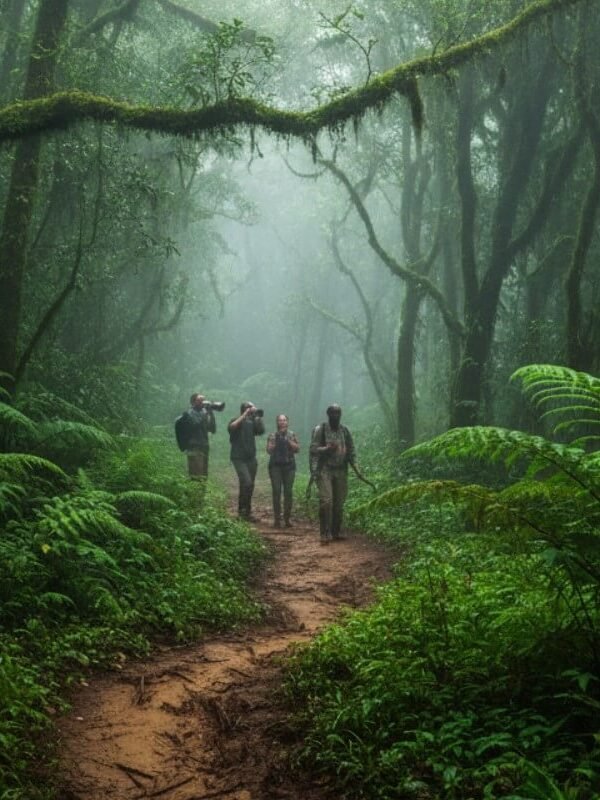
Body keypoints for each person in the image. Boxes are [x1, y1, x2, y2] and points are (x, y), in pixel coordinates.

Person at [309, 404, 356, 545]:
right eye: (333, 413)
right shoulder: (321, 429)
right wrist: (326, 449)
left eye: (338, 413)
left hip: (341, 469)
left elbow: (351, 448)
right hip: (324, 469)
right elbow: (313, 449)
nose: (335, 415)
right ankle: (324, 532)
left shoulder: (345, 430)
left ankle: (337, 531)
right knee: (326, 501)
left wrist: (354, 462)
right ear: (328, 414)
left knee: (339, 503)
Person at [228, 401, 265, 521]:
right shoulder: (236, 419)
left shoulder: (252, 422)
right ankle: (242, 512)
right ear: (243, 409)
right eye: (249, 407)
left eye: (252, 407)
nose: (251, 409)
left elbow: (261, 431)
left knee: (249, 485)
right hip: (238, 457)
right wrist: (245, 414)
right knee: (247, 482)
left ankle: (246, 512)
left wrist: (257, 416)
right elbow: (232, 427)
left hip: (251, 458)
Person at [266, 414, 300, 529]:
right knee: (276, 491)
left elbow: (297, 449)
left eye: (284, 420)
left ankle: (287, 519)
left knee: (288, 492)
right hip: (275, 467)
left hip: (289, 466)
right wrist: (277, 440)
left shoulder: (291, 434)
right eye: (280, 420)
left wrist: (288, 440)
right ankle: (276, 519)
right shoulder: (272, 435)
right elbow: (269, 450)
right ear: (277, 422)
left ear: (287, 422)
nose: (282, 422)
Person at [184, 393, 216, 481]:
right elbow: (195, 425)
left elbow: (212, 429)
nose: (203, 402)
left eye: (204, 400)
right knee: (196, 474)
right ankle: (194, 494)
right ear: (193, 402)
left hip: (204, 446)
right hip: (194, 447)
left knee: (204, 474)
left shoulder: (204, 413)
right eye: (200, 400)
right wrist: (205, 414)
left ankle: (201, 494)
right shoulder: (189, 413)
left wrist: (211, 413)